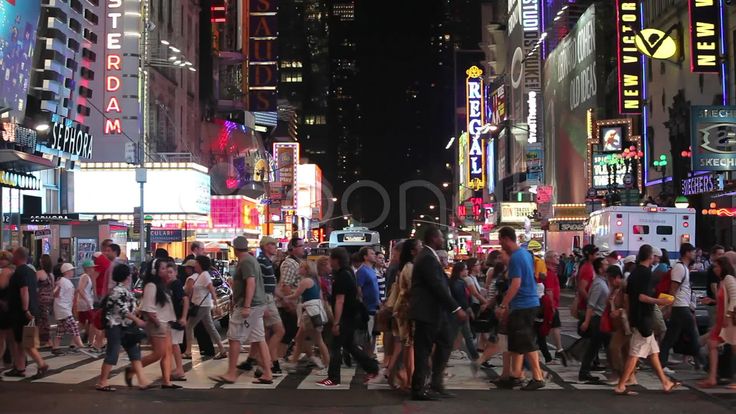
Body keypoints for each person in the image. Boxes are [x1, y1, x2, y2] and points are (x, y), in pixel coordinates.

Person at [410, 226, 468, 400]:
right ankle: (419, 389)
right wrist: (456, 308)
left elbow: (441, 285)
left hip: (436, 312)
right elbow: (437, 286)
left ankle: (436, 382)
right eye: (440, 237)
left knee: (445, 342)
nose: (443, 240)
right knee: (423, 351)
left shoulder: (429, 257)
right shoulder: (427, 258)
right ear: (433, 238)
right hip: (427, 312)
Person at [613, 244, 680, 396]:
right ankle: (621, 385)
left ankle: (665, 382)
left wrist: (630, 316)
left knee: (653, 352)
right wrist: (661, 302)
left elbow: (629, 297)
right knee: (635, 353)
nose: (655, 259)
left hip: (637, 316)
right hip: (644, 317)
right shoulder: (645, 273)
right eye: (654, 256)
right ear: (650, 257)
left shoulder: (634, 273)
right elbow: (642, 297)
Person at [212, 236, 273, 385]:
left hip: (250, 306)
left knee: (234, 338)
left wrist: (246, 305)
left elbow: (250, 283)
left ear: (234, 248)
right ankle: (267, 373)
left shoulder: (246, 261)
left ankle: (231, 373)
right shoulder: (250, 259)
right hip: (256, 304)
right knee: (259, 339)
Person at [317, 248, 379, 387]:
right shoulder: (349, 272)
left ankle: (333, 378)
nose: (329, 262)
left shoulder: (342, 276)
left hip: (346, 316)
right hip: (352, 315)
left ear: (336, 260)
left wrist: (336, 322)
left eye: (331, 259)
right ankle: (372, 367)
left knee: (336, 346)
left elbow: (340, 300)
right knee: (349, 345)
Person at [494, 227, 545, 391]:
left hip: (524, 304)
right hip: (527, 303)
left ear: (506, 238)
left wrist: (503, 305)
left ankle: (537, 377)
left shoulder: (516, 257)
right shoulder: (525, 254)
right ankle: (515, 376)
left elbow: (516, 284)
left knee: (526, 340)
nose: (500, 244)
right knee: (516, 342)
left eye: (501, 240)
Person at [98, 265, 153, 391]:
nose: (130, 276)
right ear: (126, 276)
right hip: (116, 326)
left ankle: (142, 380)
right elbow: (122, 310)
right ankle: (102, 381)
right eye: (129, 274)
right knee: (113, 353)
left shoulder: (123, 290)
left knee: (134, 352)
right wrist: (137, 320)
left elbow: (129, 308)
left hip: (125, 326)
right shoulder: (118, 291)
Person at [5, 247, 48, 378]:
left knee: (25, 341)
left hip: (21, 312)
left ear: (17, 257)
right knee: (20, 341)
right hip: (30, 309)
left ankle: (41, 364)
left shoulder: (19, 272)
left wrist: (25, 309)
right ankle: (20, 367)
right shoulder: (31, 271)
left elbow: (24, 291)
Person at [139, 258, 181, 389]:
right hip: (158, 324)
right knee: (159, 353)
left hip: (165, 324)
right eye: (162, 268)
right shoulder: (151, 286)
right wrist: (157, 323)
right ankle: (134, 368)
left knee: (167, 353)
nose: (165, 271)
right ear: (155, 271)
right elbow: (148, 309)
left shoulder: (162, 286)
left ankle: (166, 381)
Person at [659, 243, 700, 371]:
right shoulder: (680, 268)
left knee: (671, 337)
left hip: (681, 306)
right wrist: (669, 306)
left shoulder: (684, 268)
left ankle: (662, 363)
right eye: (692, 252)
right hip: (680, 306)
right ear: (687, 253)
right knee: (693, 335)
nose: (694, 254)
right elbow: (673, 288)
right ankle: (704, 364)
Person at [697, 256, 736, 388]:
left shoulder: (728, 279)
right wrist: (713, 301)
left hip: (729, 320)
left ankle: (715, 376)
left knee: (732, 346)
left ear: (722, 267)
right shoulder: (723, 281)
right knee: (712, 344)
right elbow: (725, 299)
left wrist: (729, 315)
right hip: (722, 320)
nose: (715, 269)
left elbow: (735, 298)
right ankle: (712, 377)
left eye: (716, 266)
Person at [248, 237, 285, 374]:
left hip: (269, 299)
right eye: (272, 244)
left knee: (266, 334)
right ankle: (265, 362)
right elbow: (259, 285)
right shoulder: (262, 262)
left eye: (275, 244)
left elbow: (271, 285)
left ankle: (268, 362)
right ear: (265, 246)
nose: (275, 247)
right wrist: (263, 304)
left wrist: (284, 298)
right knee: (279, 331)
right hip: (266, 300)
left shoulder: (268, 262)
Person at [285, 261, 330, 371]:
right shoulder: (315, 280)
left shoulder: (305, 281)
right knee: (300, 338)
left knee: (317, 339)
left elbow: (296, 295)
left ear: (306, 270)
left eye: (301, 267)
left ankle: (326, 364)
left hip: (310, 313)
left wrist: (285, 297)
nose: (299, 269)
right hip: (315, 311)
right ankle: (294, 362)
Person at [184, 256, 226, 360]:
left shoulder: (205, 275)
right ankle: (222, 350)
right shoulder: (201, 275)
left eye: (197, 263)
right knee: (210, 327)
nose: (195, 265)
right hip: (202, 305)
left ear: (201, 264)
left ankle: (188, 351)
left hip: (201, 305)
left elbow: (211, 289)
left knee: (189, 326)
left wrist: (216, 304)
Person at [391, 239, 419, 390]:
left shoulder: (407, 267)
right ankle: (407, 378)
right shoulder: (409, 268)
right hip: (406, 310)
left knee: (407, 346)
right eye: (419, 246)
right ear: (412, 251)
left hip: (404, 309)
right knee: (409, 346)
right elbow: (411, 289)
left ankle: (404, 376)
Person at [578, 258, 610, 382]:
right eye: (606, 264)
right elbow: (591, 304)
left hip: (601, 319)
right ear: (600, 268)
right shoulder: (598, 284)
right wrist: (587, 321)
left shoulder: (603, 282)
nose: (608, 266)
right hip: (598, 319)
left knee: (597, 347)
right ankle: (584, 372)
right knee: (596, 347)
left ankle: (585, 371)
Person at [448, 262, 480, 365]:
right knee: (460, 335)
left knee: (466, 335)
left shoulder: (457, 282)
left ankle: (475, 357)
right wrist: (467, 308)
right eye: (465, 269)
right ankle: (475, 357)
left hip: (459, 311)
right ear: (460, 271)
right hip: (459, 312)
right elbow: (462, 298)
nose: (467, 271)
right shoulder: (458, 283)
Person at [277, 238, 304, 359]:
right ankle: (277, 360)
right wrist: (290, 303)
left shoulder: (297, 262)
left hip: (297, 304)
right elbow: (285, 284)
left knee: (297, 332)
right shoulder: (289, 263)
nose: (303, 248)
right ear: (292, 248)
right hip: (291, 305)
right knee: (288, 333)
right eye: (301, 246)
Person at [51, 263, 86, 354]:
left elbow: (56, 293)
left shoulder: (62, 281)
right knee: (74, 327)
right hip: (64, 309)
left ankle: (56, 347)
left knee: (61, 329)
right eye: (71, 270)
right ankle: (81, 345)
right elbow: (55, 293)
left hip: (62, 308)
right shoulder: (63, 281)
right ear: (67, 272)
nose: (73, 272)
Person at [606, 265, 633, 384]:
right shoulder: (615, 289)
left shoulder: (624, 288)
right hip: (619, 323)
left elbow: (628, 306)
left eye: (610, 279)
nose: (609, 282)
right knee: (626, 350)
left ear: (616, 277)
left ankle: (621, 374)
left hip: (625, 323)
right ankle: (629, 375)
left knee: (615, 347)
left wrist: (620, 310)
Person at [165, 260, 189, 381]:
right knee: (172, 345)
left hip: (176, 319)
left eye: (171, 272)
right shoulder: (170, 285)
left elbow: (185, 299)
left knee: (174, 345)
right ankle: (176, 369)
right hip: (172, 319)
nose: (168, 274)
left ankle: (179, 370)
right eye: (167, 272)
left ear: (175, 272)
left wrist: (183, 317)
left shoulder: (176, 284)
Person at [356, 246, 380, 354]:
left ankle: (370, 356)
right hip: (367, 308)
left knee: (374, 335)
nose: (374, 255)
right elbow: (358, 289)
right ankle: (366, 358)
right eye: (371, 253)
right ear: (365, 257)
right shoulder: (362, 271)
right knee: (367, 337)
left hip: (375, 307)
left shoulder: (371, 270)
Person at [543, 250, 563, 356]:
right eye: (555, 256)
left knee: (553, 326)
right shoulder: (549, 273)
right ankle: (559, 349)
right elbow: (549, 290)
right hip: (551, 305)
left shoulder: (551, 272)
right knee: (555, 326)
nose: (558, 258)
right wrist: (552, 306)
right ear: (549, 259)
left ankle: (558, 349)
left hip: (552, 304)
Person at [77, 260, 99, 350]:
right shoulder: (85, 276)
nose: (93, 268)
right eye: (92, 267)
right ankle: (91, 342)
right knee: (93, 322)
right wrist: (87, 301)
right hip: (85, 303)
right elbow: (80, 289)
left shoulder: (87, 277)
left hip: (84, 303)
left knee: (82, 323)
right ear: (88, 268)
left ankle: (74, 342)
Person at [36, 254, 54, 349]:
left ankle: (46, 340)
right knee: (45, 319)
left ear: (42, 262)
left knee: (41, 320)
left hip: (41, 299)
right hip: (49, 299)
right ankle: (47, 340)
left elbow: (33, 285)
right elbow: (53, 287)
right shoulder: (51, 275)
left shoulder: (39, 273)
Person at [576, 245, 599, 319]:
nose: (598, 256)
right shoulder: (587, 268)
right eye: (596, 254)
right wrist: (591, 303)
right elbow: (582, 289)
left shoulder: (590, 267)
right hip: (585, 308)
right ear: (590, 256)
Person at [536, 283, 555, 364]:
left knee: (539, 341)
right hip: (540, 322)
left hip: (533, 321)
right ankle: (548, 358)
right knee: (541, 341)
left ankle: (548, 358)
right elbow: (550, 311)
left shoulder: (532, 298)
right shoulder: (545, 299)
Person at [0, 251, 14, 364]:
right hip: (12, 306)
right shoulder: (14, 270)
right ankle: (14, 360)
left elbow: (1, 285)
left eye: (2, 259)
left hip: (4, 306)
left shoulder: (5, 271)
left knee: (2, 337)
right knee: (11, 336)